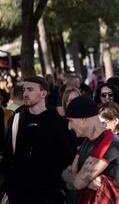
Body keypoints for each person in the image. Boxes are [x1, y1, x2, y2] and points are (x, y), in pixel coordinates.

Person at [2, 76, 76, 204]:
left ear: (43, 93)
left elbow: (68, 158)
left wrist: (61, 191)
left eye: (30, 90)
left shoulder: (58, 122)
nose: (25, 94)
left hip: (51, 196)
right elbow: (7, 158)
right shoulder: (16, 120)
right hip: (20, 196)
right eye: (24, 90)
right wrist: (11, 191)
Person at [62, 95, 119, 203]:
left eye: (71, 121)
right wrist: (82, 180)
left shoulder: (108, 142)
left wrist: (77, 179)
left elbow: (78, 183)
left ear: (83, 119)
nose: (69, 126)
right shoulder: (87, 141)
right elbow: (68, 173)